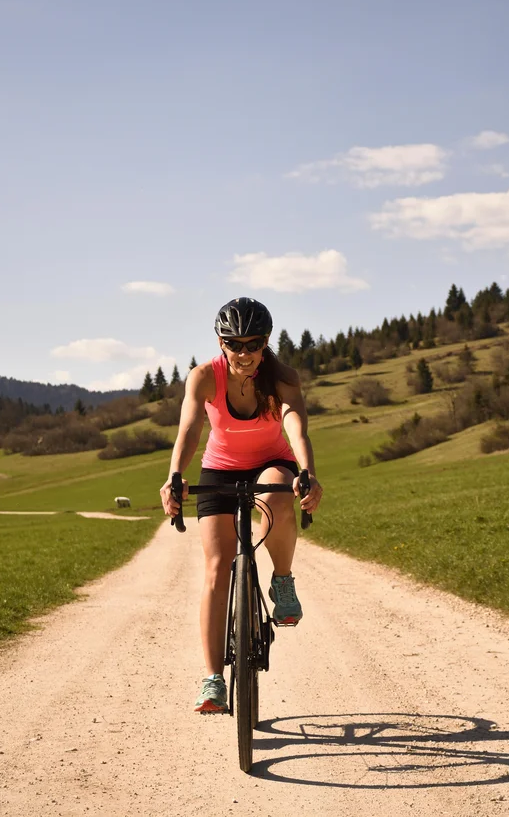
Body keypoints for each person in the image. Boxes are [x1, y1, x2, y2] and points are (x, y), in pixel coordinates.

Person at [160, 297, 323, 713]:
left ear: (266, 341)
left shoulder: (282, 377)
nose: (245, 354)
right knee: (217, 569)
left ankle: (282, 581)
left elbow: (295, 426)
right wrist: (175, 476)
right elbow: (190, 431)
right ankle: (213, 678)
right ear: (221, 343)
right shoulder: (203, 377)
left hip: (271, 462)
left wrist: (307, 471)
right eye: (235, 344)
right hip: (220, 468)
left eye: (254, 344)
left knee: (276, 494)